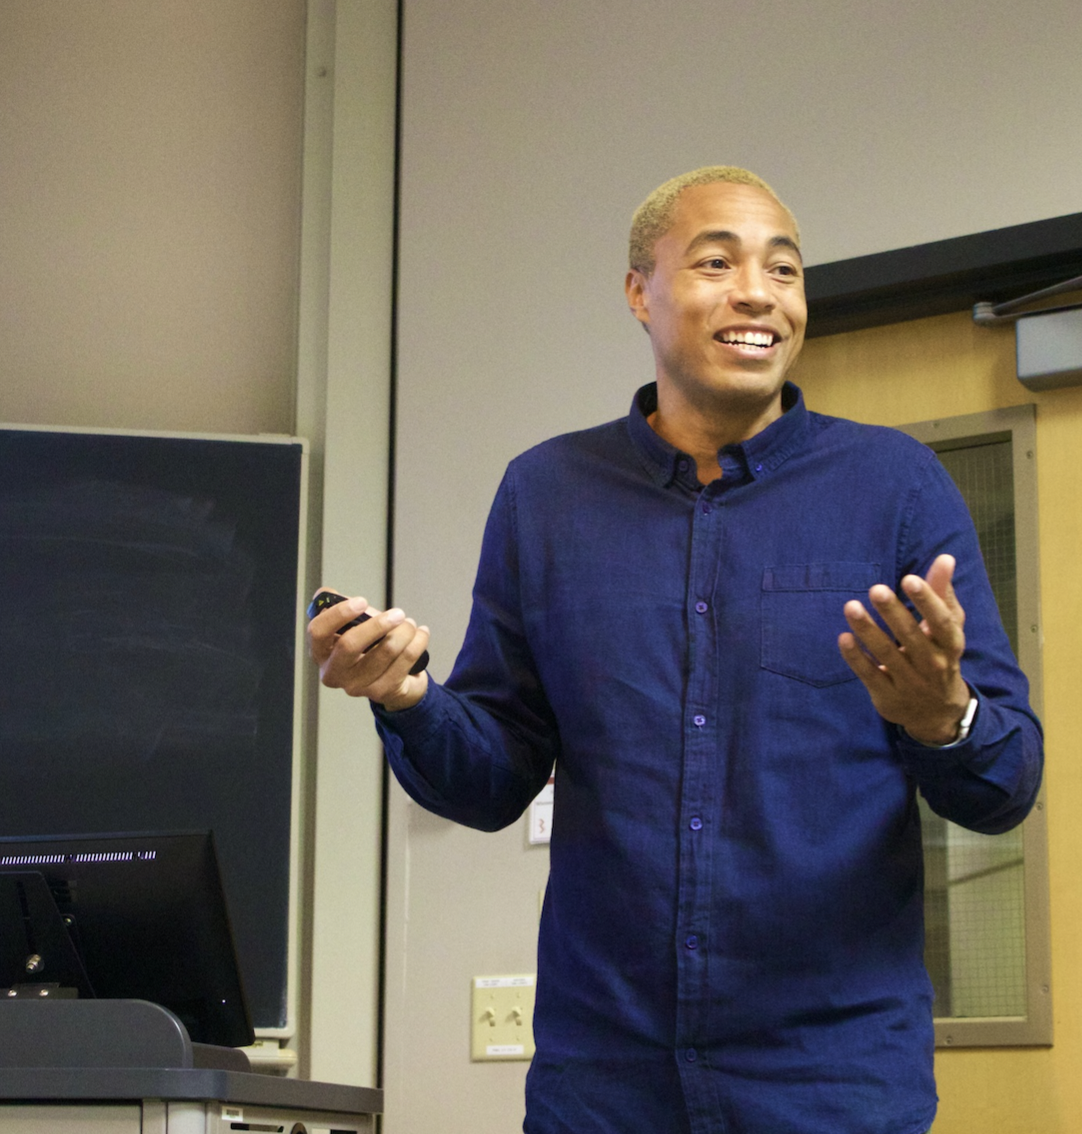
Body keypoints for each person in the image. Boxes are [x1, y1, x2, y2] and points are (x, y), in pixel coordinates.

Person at [308, 166, 1043, 1134]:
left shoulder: (895, 489)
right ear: (637, 291)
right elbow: (492, 777)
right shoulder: (545, 497)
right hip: (603, 1085)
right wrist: (406, 698)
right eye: (716, 261)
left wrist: (941, 717)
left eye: (783, 270)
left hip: (830, 1089)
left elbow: (1005, 784)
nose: (758, 292)